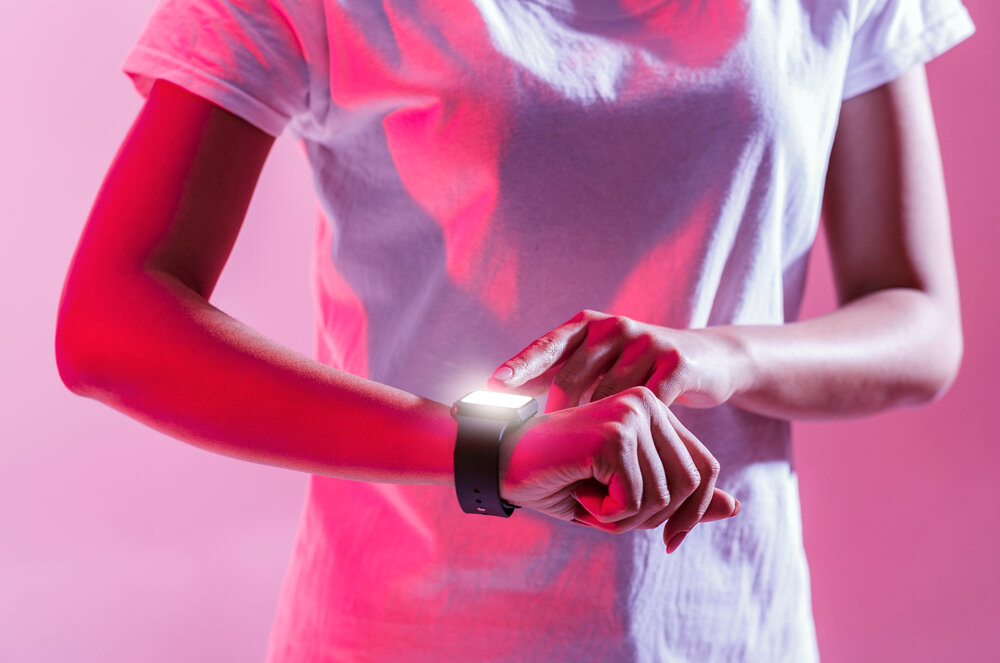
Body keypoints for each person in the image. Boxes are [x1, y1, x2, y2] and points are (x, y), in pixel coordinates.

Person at [55, 0, 974, 660]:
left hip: (732, 627)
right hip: (406, 635)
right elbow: (111, 319)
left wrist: (717, 354)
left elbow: (920, 324)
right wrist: (487, 449)